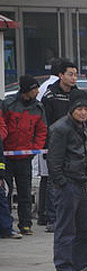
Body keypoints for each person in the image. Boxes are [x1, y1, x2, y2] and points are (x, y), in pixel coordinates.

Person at [46, 99, 87, 271]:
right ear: (72, 109)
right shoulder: (60, 128)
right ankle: (64, 268)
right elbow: (54, 159)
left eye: (86, 109)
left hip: (82, 183)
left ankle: (81, 266)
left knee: (83, 229)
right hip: (68, 185)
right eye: (80, 109)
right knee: (66, 229)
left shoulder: (83, 127)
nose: (83, 112)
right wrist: (62, 182)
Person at [41, 59, 87, 232]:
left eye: (76, 74)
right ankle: (52, 218)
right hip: (56, 141)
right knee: (54, 181)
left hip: (76, 147)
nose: (74, 78)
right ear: (60, 75)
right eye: (70, 74)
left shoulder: (78, 94)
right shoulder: (50, 95)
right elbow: (45, 122)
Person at [1, 74, 47, 236]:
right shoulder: (8, 104)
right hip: (6, 157)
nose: (37, 92)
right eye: (35, 89)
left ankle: (25, 224)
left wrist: (34, 149)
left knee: (25, 193)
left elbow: (41, 131)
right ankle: (6, 225)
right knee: (6, 192)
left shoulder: (38, 108)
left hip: (25, 157)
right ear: (26, 90)